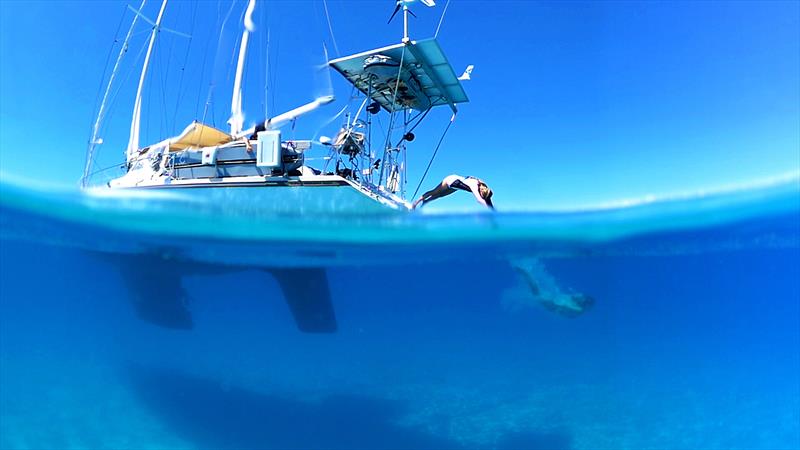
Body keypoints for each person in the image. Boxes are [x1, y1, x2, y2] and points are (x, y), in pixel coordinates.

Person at [412, 174, 494, 209]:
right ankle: (416, 202)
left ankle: (426, 202)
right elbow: (479, 200)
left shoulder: (485, 189)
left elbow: (488, 201)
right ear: (480, 192)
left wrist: (494, 213)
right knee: (435, 192)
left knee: (441, 195)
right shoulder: (474, 185)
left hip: (456, 186)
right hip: (451, 180)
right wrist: (488, 209)